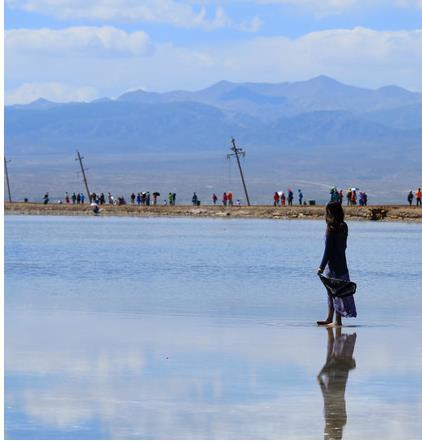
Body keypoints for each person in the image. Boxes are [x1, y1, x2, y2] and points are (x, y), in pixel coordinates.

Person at [317, 202, 357, 327]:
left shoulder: (331, 228)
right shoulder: (344, 226)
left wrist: (321, 267)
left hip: (332, 266)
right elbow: (343, 246)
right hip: (342, 263)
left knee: (332, 292)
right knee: (339, 292)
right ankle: (333, 319)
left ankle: (334, 319)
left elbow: (328, 250)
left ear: (330, 214)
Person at [318, 327, 357, 440]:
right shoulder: (332, 419)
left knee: (335, 349)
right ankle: (336, 328)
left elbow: (329, 399)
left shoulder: (342, 420)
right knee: (335, 351)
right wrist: (320, 380)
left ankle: (336, 329)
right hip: (334, 379)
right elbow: (327, 397)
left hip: (340, 379)